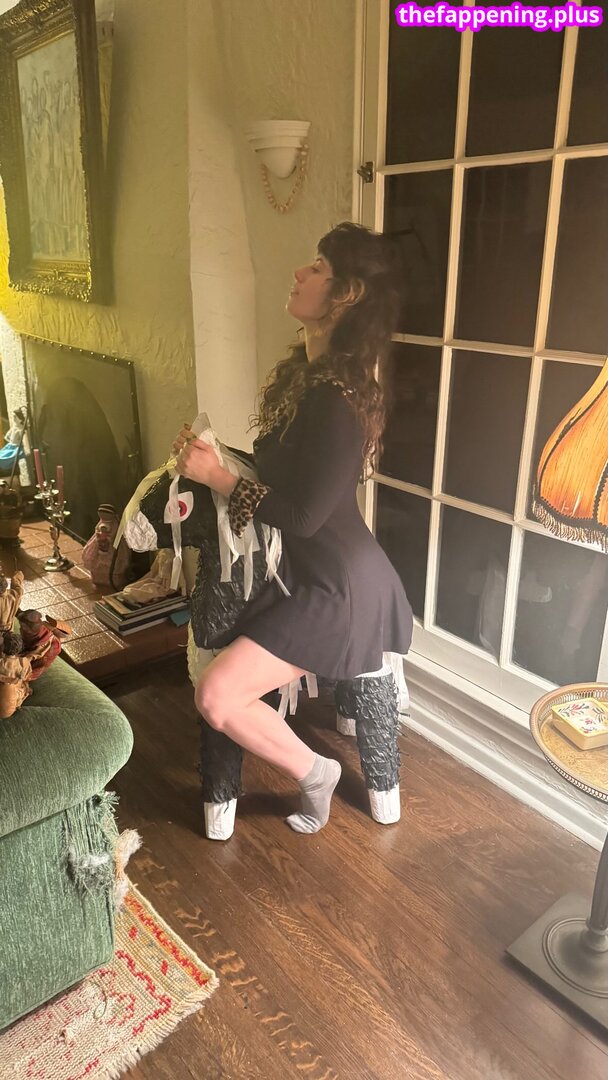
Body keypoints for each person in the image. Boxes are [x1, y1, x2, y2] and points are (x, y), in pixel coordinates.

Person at [174, 222, 413, 837]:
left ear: (345, 294)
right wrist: (215, 459)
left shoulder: (336, 399)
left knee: (216, 695)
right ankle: (315, 772)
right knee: (216, 693)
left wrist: (219, 477)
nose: (299, 274)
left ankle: (316, 773)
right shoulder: (310, 377)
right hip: (309, 575)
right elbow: (286, 480)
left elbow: (304, 515)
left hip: (342, 588)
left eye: (316, 267)